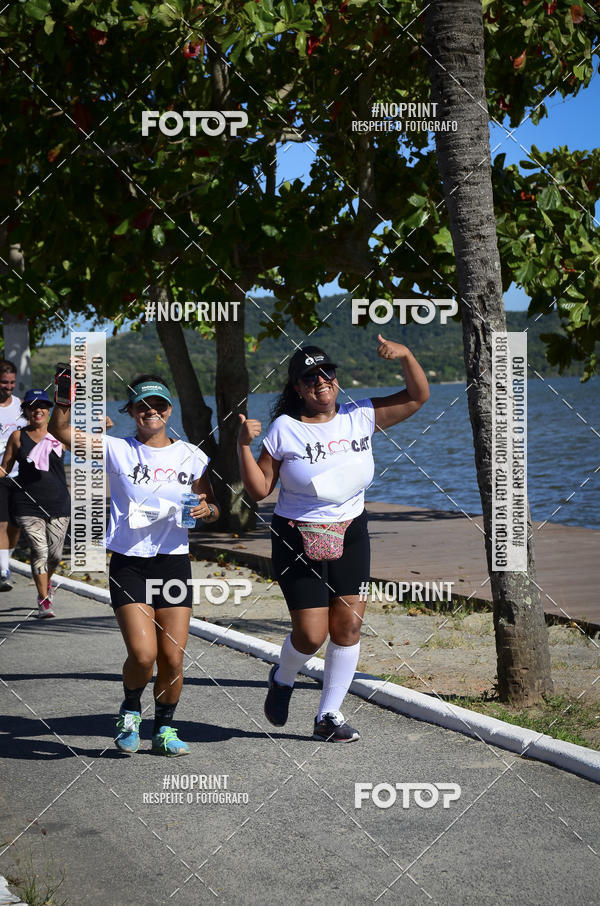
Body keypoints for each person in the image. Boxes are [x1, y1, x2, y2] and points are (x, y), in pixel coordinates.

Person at [237, 336, 429, 742]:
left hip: (351, 532)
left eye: (327, 373)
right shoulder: (284, 429)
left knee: (349, 627)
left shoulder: (359, 416)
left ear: (336, 379)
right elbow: (259, 490)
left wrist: (407, 355)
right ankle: (283, 676)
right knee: (310, 634)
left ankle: (329, 715)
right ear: (297, 388)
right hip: (297, 536)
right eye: (310, 378)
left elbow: (417, 396)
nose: (321, 382)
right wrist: (242, 447)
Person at [49, 373, 220, 757]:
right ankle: (129, 710)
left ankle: (164, 727)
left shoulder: (192, 455)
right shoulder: (116, 449)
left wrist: (209, 509)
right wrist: (64, 397)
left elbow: (208, 506)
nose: (152, 412)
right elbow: (60, 431)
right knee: (144, 656)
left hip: (173, 563)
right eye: (143, 406)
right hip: (130, 563)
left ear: (169, 409)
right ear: (131, 411)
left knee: (172, 656)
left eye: (159, 405)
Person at [0, 389, 70, 618]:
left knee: (55, 556)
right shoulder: (18, 437)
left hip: (58, 502)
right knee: (39, 550)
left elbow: (86, 445)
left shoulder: (58, 435)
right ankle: (43, 599)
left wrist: (103, 428)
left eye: (42, 405)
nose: (37, 409)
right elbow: (5, 468)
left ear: (49, 410)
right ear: (25, 410)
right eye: (32, 406)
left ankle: (45, 583)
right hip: (27, 504)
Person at [0, 360, 27, 590]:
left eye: (11, 383)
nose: (8, 386)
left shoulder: (20, 406)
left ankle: (4, 561)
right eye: (3, 382)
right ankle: (3, 570)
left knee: (16, 525)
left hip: (19, 474)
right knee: (1, 522)